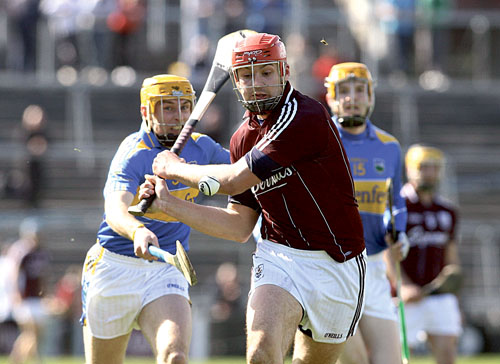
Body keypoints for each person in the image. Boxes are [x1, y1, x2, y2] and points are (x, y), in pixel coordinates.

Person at [139, 32, 367, 364]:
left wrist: (175, 168)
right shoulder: (242, 139)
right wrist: (169, 204)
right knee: (260, 354)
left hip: (337, 260)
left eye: (265, 72)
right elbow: (238, 226)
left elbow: (233, 181)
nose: (255, 83)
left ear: (285, 72)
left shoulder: (303, 117)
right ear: (234, 80)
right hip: (280, 257)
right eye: (246, 75)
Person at [80, 74, 230, 364]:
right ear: (147, 111)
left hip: (165, 267)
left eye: (184, 107)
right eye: (168, 108)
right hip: (114, 267)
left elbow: (240, 173)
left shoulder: (203, 147)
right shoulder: (133, 154)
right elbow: (114, 210)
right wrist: (137, 230)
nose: (179, 116)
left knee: (175, 356)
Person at [323, 62, 409, 364]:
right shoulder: (318, 141)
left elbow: (395, 200)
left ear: (371, 96)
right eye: (343, 91)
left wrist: (398, 228)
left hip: (372, 268)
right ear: (331, 97)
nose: (352, 97)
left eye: (360, 90)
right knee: (355, 361)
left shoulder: (389, 146)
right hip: (329, 267)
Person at [400, 144, 462, 364]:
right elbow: (388, 252)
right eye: (424, 167)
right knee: (395, 356)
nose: (429, 173)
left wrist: (453, 290)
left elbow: (451, 255)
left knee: (447, 354)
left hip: (438, 296)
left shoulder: (448, 211)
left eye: (434, 168)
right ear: (410, 169)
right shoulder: (398, 206)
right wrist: (404, 285)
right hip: (403, 296)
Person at [8, 217, 51, 364]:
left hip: (36, 298)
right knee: (31, 332)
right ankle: (24, 360)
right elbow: (15, 274)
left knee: (35, 334)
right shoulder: (22, 250)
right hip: (25, 297)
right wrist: (16, 294)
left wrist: (45, 292)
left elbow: (43, 275)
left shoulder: (41, 252)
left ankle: (20, 359)